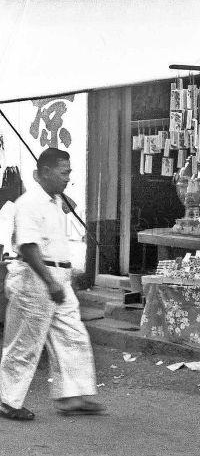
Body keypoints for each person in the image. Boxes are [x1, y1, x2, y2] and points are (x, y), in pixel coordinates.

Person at [0, 148, 104, 421]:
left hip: (59, 277)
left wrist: (60, 282)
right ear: (45, 173)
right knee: (25, 342)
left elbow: (65, 212)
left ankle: (73, 396)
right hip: (35, 278)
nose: (68, 177)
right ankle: (7, 400)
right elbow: (29, 246)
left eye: (68, 172)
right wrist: (49, 283)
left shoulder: (54, 200)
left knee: (73, 336)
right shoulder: (29, 203)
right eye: (63, 172)